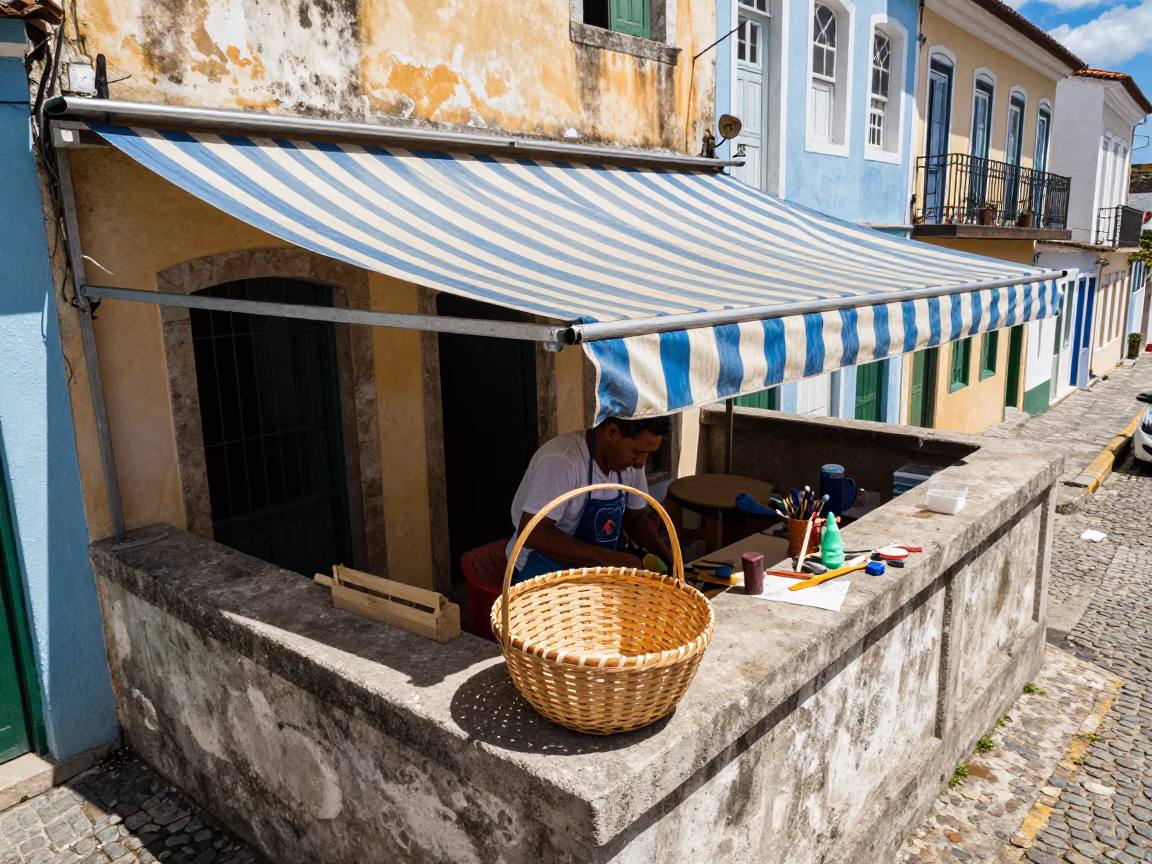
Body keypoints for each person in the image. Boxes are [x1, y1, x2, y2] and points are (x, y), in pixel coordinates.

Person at [507, 416, 676, 584]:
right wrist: (608, 558)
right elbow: (533, 533)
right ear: (612, 432)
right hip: (543, 570)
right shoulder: (562, 460)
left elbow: (635, 518)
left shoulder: (630, 463)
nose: (641, 463)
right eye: (637, 452)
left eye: (647, 454)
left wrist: (670, 561)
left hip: (593, 570)